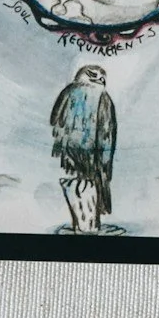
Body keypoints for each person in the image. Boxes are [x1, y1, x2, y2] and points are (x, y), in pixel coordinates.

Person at [49, 65, 116, 233]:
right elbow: (56, 123)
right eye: (93, 75)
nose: (100, 79)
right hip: (72, 153)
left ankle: (92, 218)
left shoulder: (104, 99)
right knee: (79, 189)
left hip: (95, 157)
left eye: (102, 77)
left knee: (89, 187)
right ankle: (84, 223)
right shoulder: (68, 93)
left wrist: (101, 169)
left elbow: (105, 140)